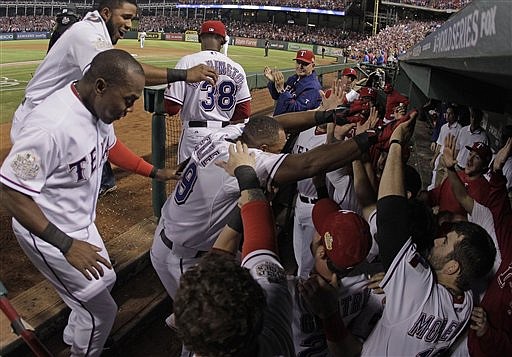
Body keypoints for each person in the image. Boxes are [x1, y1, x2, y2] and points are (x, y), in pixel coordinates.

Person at [0, 49, 162, 357]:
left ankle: (76, 337)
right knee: (100, 312)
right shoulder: (51, 126)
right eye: (128, 99)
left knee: (107, 281)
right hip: (47, 231)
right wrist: (65, 244)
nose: (130, 109)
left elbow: (111, 147)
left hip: (79, 223)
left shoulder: (99, 107)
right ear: (100, 85)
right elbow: (11, 192)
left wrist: (154, 171)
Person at [301, 116, 497, 356]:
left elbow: (389, 216)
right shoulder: (465, 305)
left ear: (453, 267)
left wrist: (396, 142)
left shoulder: (416, 287)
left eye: (445, 242)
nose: (437, 240)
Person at [151, 109, 381, 300]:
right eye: (277, 151)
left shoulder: (225, 136)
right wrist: (368, 138)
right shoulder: (250, 160)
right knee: (206, 331)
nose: (279, 154)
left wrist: (325, 115)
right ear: (261, 149)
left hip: (179, 233)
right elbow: (309, 164)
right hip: (185, 257)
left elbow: (274, 123)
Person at [10, 0, 216, 196]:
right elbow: (121, 73)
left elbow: (111, 145)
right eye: (125, 17)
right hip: (38, 121)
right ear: (106, 13)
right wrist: (184, 74)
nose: (129, 24)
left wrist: (156, 172)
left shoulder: (96, 101)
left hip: (67, 116)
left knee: (82, 180)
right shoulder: (86, 33)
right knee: (37, 191)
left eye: (132, 19)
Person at [173, 141, 295, 356]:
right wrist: (247, 177)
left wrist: (248, 183)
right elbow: (261, 241)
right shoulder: (276, 322)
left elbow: (258, 240)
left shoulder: (275, 302)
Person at [163, 20, 251, 164]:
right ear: (223, 41)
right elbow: (244, 112)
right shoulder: (237, 68)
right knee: (217, 181)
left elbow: (172, 107)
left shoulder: (187, 62)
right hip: (225, 135)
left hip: (194, 136)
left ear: (199, 38)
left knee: (188, 181)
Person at [263, 49, 322, 116]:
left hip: (295, 125)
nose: (300, 66)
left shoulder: (313, 88)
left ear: (313, 66)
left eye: (304, 63)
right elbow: (277, 96)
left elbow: (296, 112)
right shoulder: (294, 78)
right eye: (298, 62)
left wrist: (282, 90)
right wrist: (274, 82)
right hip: (281, 121)